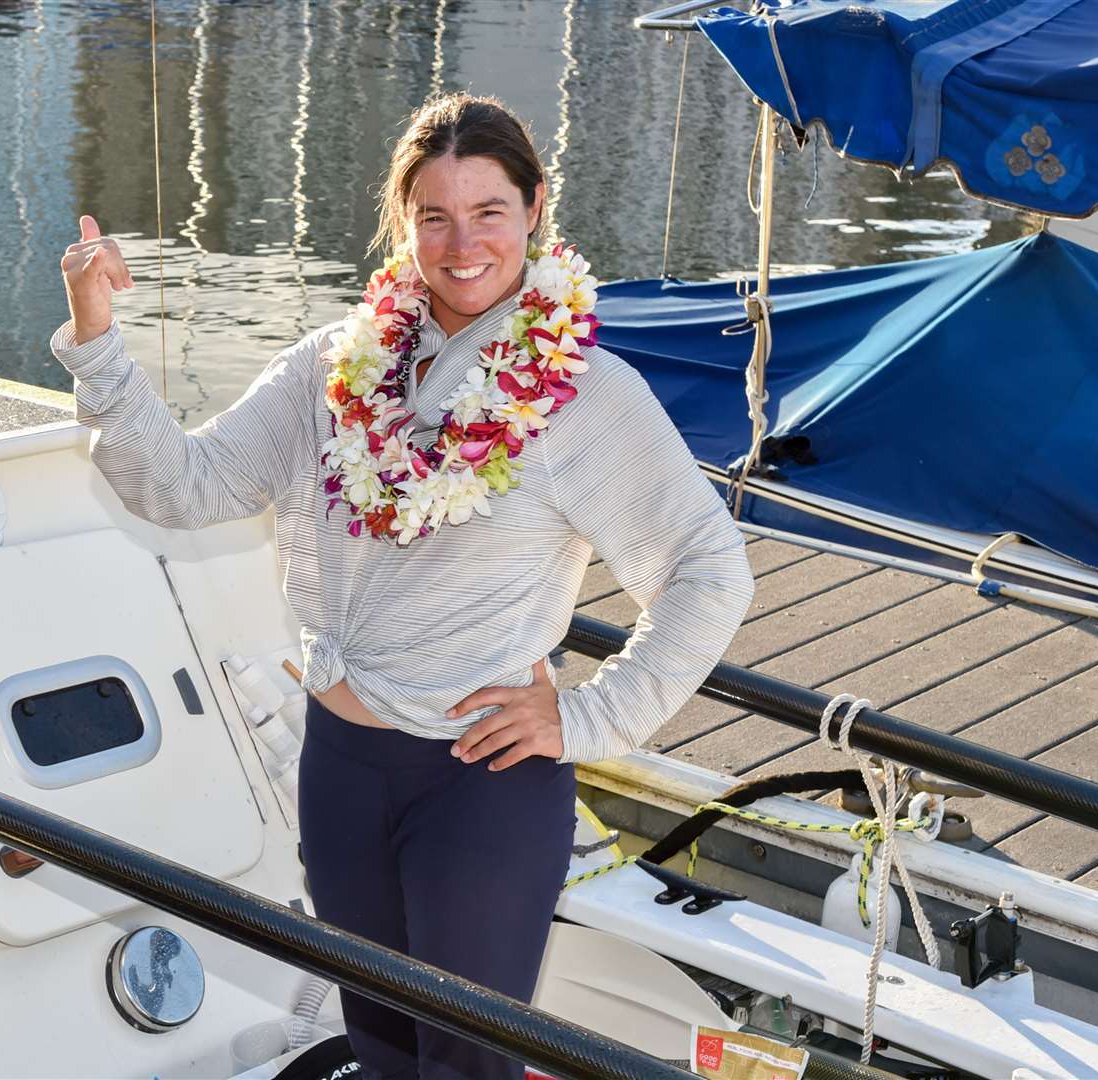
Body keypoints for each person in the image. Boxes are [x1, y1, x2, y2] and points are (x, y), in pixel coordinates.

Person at [53, 93, 752, 1080]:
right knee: (379, 1047)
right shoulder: (330, 370)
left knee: (465, 1066)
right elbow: (185, 485)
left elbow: (709, 569)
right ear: (401, 221)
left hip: (480, 785)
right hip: (338, 766)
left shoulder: (587, 396)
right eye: (434, 216)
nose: (462, 244)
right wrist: (98, 342)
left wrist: (592, 719)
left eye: (489, 212)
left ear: (535, 209)